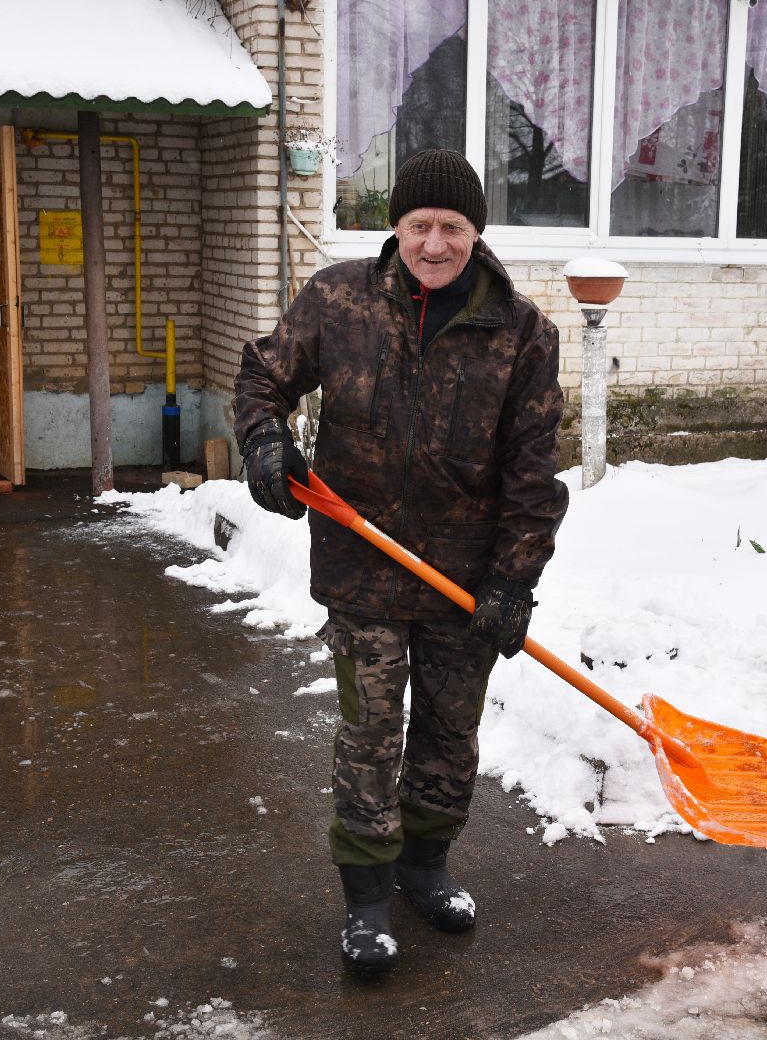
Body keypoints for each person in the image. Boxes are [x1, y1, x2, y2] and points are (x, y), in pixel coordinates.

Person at [233, 149, 569, 977]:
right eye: (420, 224)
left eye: (452, 227)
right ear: (397, 225)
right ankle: (368, 900)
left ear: (476, 234)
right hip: (363, 570)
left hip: (463, 581)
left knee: (449, 737)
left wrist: (513, 580)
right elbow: (261, 378)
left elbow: (533, 472)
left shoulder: (522, 333)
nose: (433, 243)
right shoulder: (338, 300)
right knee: (370, 736)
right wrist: (267, 440)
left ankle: (426, 868)